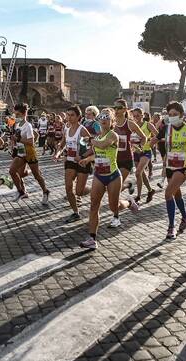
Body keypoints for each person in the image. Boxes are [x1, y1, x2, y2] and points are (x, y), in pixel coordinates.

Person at [80, 108, 139, 249]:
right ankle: (92, 239)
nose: (104, 120)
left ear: (111, 121)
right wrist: (88, 159)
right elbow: (99, 153)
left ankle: (129, 203)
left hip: (113, 176)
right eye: (102, 117)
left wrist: (90, 140)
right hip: (99, 175)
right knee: (94, 206)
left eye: (107, 118)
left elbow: (102, 145)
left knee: (114, 207)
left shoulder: (113, 135)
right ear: (99, 120)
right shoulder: (98, 137)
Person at [152, 101, 186, 240]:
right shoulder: (166, 129)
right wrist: (148, 143)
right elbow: (154, 140)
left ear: (182, 115)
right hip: (170, 167)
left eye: (175, 114)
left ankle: (171, 227)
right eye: (170, 114)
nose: (172, 117)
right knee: (176, 194)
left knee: (167, 193)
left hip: (183, 167)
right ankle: (185, 215)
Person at [54, 106, 93, 223]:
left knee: (79, 192)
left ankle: (93, 189)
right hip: (70, 162)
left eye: (72, 115)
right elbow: (62, 144)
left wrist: (81, 156)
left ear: (78, 117)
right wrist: (58, 153)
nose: (69, 117)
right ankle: (76, 212)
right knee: (68, 188)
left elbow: (92, 148)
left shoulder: (82, 130)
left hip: (81, 162)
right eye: (68, 115)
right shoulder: (66, 130)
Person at [8, 103, 50, 204]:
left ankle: (45, 191)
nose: (15, 117)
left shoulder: (28, 126)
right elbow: (16, 138)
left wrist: (18, 139)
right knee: (12, 171)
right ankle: (21, 191)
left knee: (37, 176)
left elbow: (31, 142)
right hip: (20, 152)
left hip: (29, 153)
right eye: (14, 114)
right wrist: (12, 143)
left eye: (17, 115)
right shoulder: (17, 124)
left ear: (24, 114)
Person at [113, 99, 146, 198]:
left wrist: (139, 147)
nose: (116, 110)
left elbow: (144, 137)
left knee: (116, 187)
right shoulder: (112, 124)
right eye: (115, 108)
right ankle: (129, 184)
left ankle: (118, 207)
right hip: (113, 159)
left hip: (126, 159)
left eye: (119, 108)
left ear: (125, 110)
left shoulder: (130, 124)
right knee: (113, 186)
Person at [130, 107, 157, 203]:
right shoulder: (132, 125)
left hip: (145, 151)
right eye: (134, 116)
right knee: (141, 174)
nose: (136, 117)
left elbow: (157, 135)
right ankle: (150, 190)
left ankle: (138, 196)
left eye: (138, 115)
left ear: (142, 115)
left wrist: (149, 141)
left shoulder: (148, 125)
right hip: (135, 152)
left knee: (137, 173)